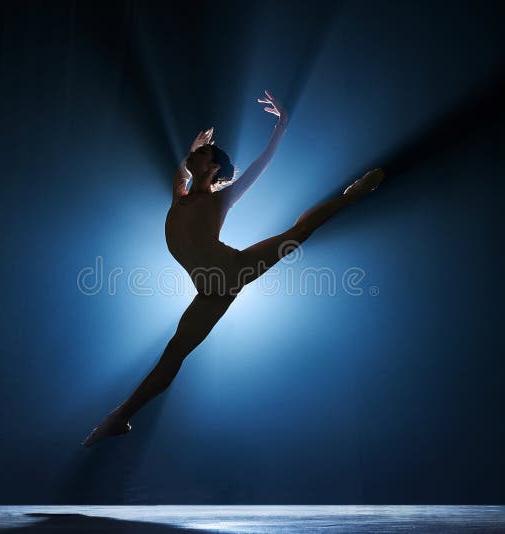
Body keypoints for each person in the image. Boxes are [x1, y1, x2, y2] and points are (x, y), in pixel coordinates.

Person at [82, 90, 384, 446]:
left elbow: (260, 166)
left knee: (298, 232)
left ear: (213, 168)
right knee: (173, 355)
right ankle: (120, 417)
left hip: (234, 268)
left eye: (204, 153)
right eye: (196, 153)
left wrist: (282, 125)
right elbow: (180, 172)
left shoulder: (220, 199)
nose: (195, 154)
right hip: (209, 292)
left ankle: (351, 195)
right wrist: (193, 147)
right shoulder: (179, 194)